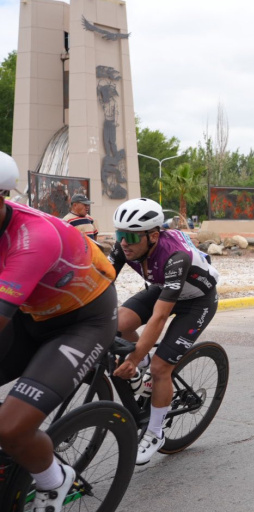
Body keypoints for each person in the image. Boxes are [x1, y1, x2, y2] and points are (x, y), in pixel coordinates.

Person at [0, 151, 118, 512]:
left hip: (82, 322)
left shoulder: (33, 238)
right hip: (32, 312)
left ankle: (54, 480)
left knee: (11, 429)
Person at [108, 197, 220, 465]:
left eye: (130, 237)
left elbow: (159, 318)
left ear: (154, 236)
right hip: (165, 287)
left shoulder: (175, 257)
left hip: (197, 302)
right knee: (117, 325)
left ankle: (155, 432)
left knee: (160, 369)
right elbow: (101, 282)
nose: (123, 243)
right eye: (120, 235)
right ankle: (143, 368)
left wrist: (134, 358)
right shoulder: (126, 246)